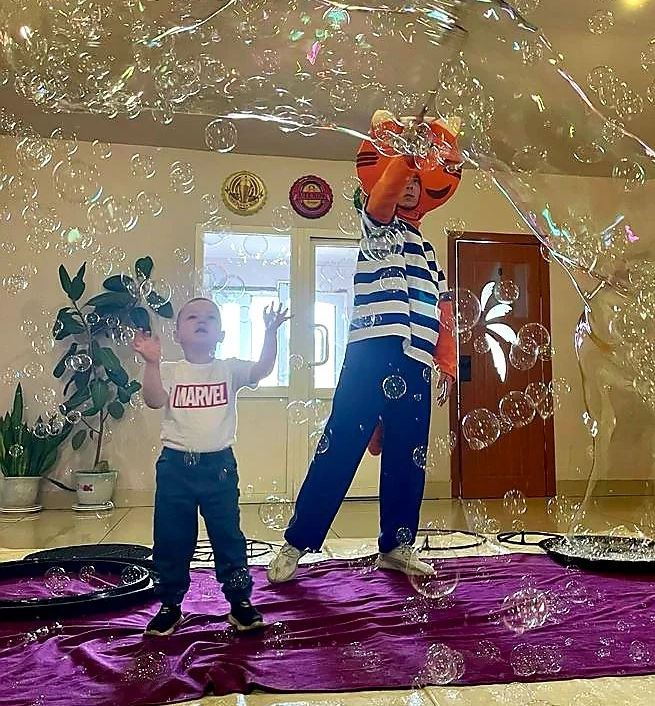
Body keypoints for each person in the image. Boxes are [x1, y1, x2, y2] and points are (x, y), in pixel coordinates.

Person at [268, 110, 462, 584]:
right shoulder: (376, 224)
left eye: (417, 181)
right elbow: (386, 192)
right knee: (339, 447)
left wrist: (445, 362)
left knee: (409, 456)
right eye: (404, 178)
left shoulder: (428, 250)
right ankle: (297, 541)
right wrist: (409, 154)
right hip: (370, 352)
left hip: (415, 361)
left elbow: (442, 311)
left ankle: (397, 545)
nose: (409, 186)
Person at [132, 296, 290, 635]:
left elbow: (261, 369)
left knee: (228, 535)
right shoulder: (170, 370)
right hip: (175, 467)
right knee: (171, 537)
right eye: (192, 317)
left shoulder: (228, 369)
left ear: (221, 334)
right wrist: (151, 363)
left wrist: (271, 334)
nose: (201, 320)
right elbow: (154, 399)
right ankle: (170, 604)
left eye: (210, 317)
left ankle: (240, 601)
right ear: (177, 334)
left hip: (219, 466)